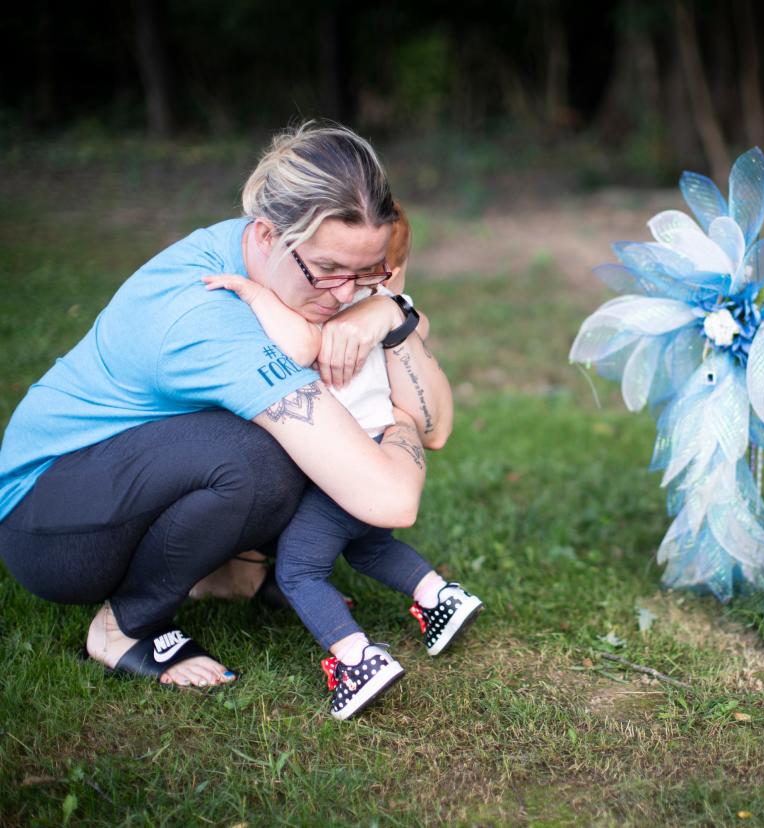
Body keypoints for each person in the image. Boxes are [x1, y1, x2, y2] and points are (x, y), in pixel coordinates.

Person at [0, 123, 442, 692]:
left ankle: (241, 573)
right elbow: (391, 499)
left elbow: (440, 420)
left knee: (305, 433)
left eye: (368, 272)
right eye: (330, 270)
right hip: (52, 524)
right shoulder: (210, 320)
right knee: (264, 458)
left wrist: (386, 312)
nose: (345, 293)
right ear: (264, 235)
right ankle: (125, 627)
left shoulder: (286, 270)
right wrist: (398, 422)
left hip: (133, 469)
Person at [203, 200, 482, 720]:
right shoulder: (391, 305)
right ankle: (440, 596)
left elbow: (301, 344)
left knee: (301, 570)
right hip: (380, 446)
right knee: (370, 548)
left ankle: (357, 658)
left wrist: (255, 293)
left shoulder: (339, 310)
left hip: (351, 459)